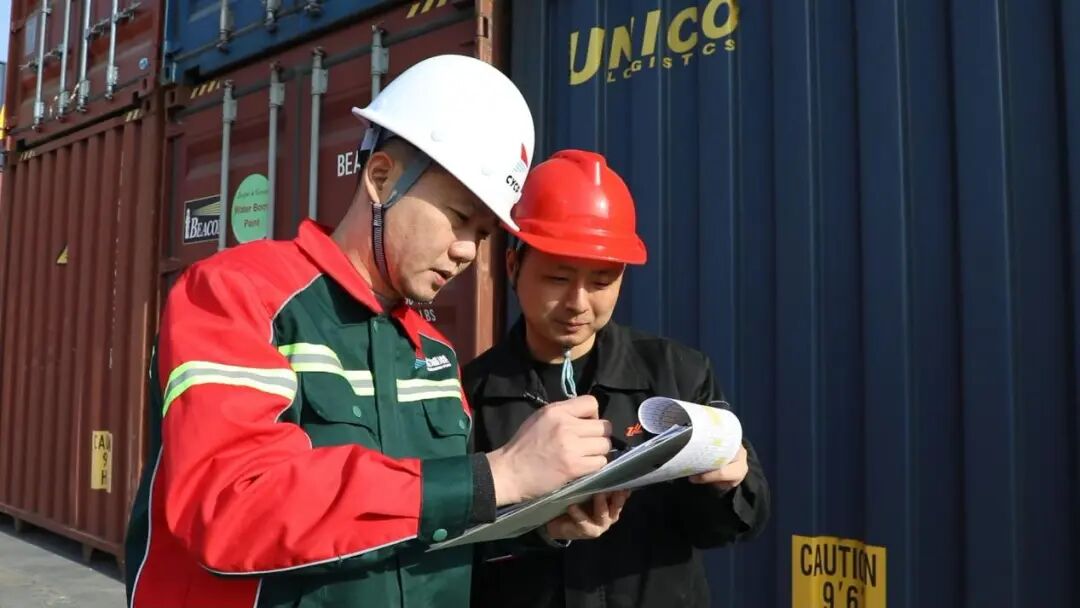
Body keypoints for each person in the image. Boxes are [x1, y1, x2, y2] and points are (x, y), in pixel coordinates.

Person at [123, 56, 625, 608]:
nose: (467, 251)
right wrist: (495, 475)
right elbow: (229, 506)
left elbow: (419, 529)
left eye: (483, 233)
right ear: (381, 178)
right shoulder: (236, 294)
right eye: (459, 217)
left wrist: (537, 519)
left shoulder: (433, 352)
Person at [464, 150, 771, 608]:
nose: (578, 303)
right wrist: (538, 531)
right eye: (557, 278)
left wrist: (728, 486)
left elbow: (731, 527)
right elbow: (448, 553)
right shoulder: (469, 394)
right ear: (513, 267)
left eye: (601, 282)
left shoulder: (679, 374)